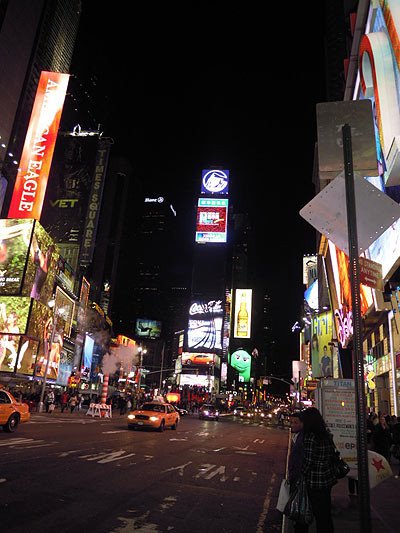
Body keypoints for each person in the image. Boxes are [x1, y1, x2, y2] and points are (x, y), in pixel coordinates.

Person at [297, 407, 337, 533]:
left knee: (305, 513)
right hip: (327, 480)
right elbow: (332, 454)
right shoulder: (326, 435)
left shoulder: (310, 437)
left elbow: (308, 462)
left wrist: (300, 476)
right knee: (324, 516)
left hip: (313, 482)